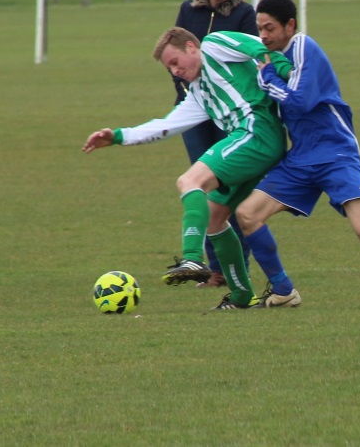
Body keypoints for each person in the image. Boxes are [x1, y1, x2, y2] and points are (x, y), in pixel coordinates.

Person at [83, 28, 294, 310]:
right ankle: (243, 296)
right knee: (215, 217)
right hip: (255, 142)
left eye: (175, 62)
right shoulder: (198, 92)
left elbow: (257, 46)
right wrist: (118, 136)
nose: (175, 71)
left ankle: (192, 258)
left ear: (192, 48)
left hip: (257, 130)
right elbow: (165, 126)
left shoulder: (214, 45)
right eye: (169, 68)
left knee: (190, 181)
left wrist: (286, 68)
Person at [236, 0, 360, 307]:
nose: (263, 35)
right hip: (300, 158)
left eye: (270, 28)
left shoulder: (303, 47)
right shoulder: (273, 58)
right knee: (247, 214)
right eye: (260, 29)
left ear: (290, 25)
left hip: (336, 153)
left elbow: (299, 102)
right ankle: (284, 290)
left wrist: (266, 75)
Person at [173, 0, 258, 289]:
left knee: (230, 189)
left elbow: (250, 60)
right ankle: (211, 268)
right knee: (201, 187)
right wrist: (187, 91)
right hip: (195, 112)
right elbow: (175, 55)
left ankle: (234, 267)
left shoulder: (244, 13)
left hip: (230, 114)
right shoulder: (188, 10)